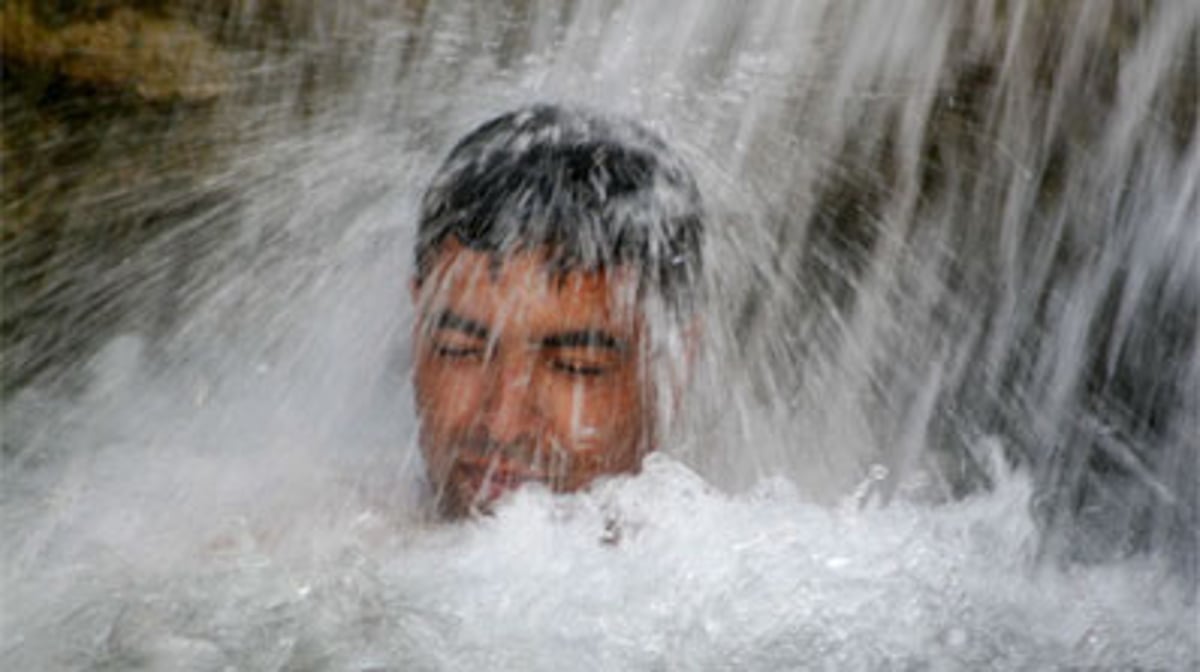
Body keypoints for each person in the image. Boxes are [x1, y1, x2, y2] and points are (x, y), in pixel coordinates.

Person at [410, 104, 704, 517]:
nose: (502, 424)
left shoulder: (751, 567)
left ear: (672, 368)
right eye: (460, 349)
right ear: (417, 321)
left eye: (575, 365)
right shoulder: (321, 537)